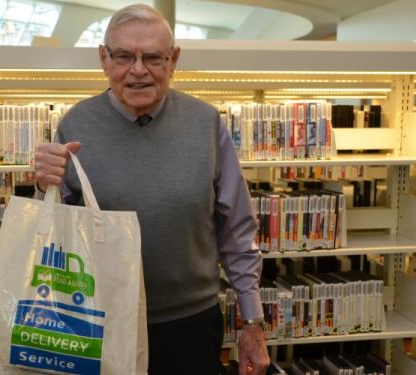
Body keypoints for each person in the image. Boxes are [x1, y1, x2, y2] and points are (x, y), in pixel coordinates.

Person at [34, 4, 269, 374]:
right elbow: (51, 232)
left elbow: (238, 230)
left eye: (153, 58)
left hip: (189, 322)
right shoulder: (75, 124)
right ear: (103, 59)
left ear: (173, 60)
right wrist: (44, 186)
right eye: (125, 56)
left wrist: (252, 321)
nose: (138, 70)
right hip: (98, 319)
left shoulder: (206, 124)